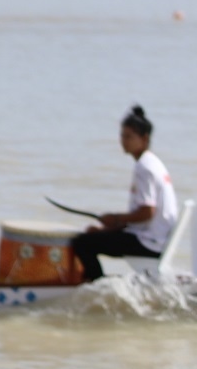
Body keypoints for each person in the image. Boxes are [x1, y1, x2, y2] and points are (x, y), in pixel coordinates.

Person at [73, 105, 178, 282]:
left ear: (144, 139)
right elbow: (142, 218)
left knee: (82, 243)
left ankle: (97, 286)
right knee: (93, 237)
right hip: (156, 239)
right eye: (122, 136)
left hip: (149, 243)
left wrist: (114, 219)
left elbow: (147, 213)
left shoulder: (144, 167)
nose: (123, 141)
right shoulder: (153, 162)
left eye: (129, 137)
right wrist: (105, 230)